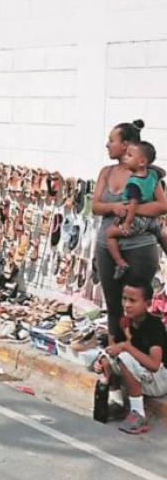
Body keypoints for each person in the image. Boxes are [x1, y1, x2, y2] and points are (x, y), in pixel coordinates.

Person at [92, 121, 167, 341]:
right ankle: (114, 355)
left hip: (139, 249)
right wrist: (114, 207)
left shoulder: (147, 174)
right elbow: (95, 206)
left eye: (111, 141)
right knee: (113, 304)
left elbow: (162, 206)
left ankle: (141, 355)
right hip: (107, 247)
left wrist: (131, 210)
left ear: (125, 145)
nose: (107, 145)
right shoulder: (106, 172)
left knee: (136, 308)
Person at [88, 279, 167, 435]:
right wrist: (101, 363)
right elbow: (113, 351)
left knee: (124, 356)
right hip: (139, 372)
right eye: (124, 299)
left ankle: (138, 414)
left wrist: (127, 347)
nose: (127, 304)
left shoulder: (154, 326)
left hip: (159, 379)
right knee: (107, 355)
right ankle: (116, 402)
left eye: (133, 300)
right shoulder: (124, 322)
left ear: (147, 303)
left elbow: (154, 365)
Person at [104, 141, 162, 279]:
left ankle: (120, 263)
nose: (125, 158)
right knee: (162, 234)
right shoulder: (153, 174)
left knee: (109, 233)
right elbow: (161, 172)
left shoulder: (133, 183)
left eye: (129, 155)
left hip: (137, 220)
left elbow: (133, 205)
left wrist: (127, 223)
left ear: (142, 161)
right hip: (151, 220)